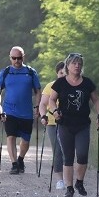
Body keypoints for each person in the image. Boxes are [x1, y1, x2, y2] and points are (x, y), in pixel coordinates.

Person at [47, 53, 99, 197]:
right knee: (68, 156)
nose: (77, 66)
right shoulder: (60, 83)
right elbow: (52, 100)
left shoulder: (87, 83)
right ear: (68, 66)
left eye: (79, 63)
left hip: (82, 124)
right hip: (65, 123)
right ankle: (69, 187)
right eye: (74, 63)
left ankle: (79, 182)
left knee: (82, 154)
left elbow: (96, 99)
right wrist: (54, 111)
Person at [0, 46, 41, 175]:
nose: (16, 61)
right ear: (10, 58)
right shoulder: (5, 72)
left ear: (23, 57)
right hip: (9, 111)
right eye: (14, 58)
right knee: (11, 137)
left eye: (19, 58)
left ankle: (20, 159)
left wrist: (37, 106)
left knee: (25, 140)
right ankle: (14, 164)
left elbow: (38, 91)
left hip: (26, 112)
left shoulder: (31, 72)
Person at [39, 61, 66, 189]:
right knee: (58, 150)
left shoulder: (73, 86)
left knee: (68, 150)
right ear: (57, 73)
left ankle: (69, 178)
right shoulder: (50, 86)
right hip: (52, 122)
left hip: (68, 122)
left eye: (65, 73)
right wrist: (43, 116)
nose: (63, 75)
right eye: (61, 73)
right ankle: (60, 180)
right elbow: (43, 104)